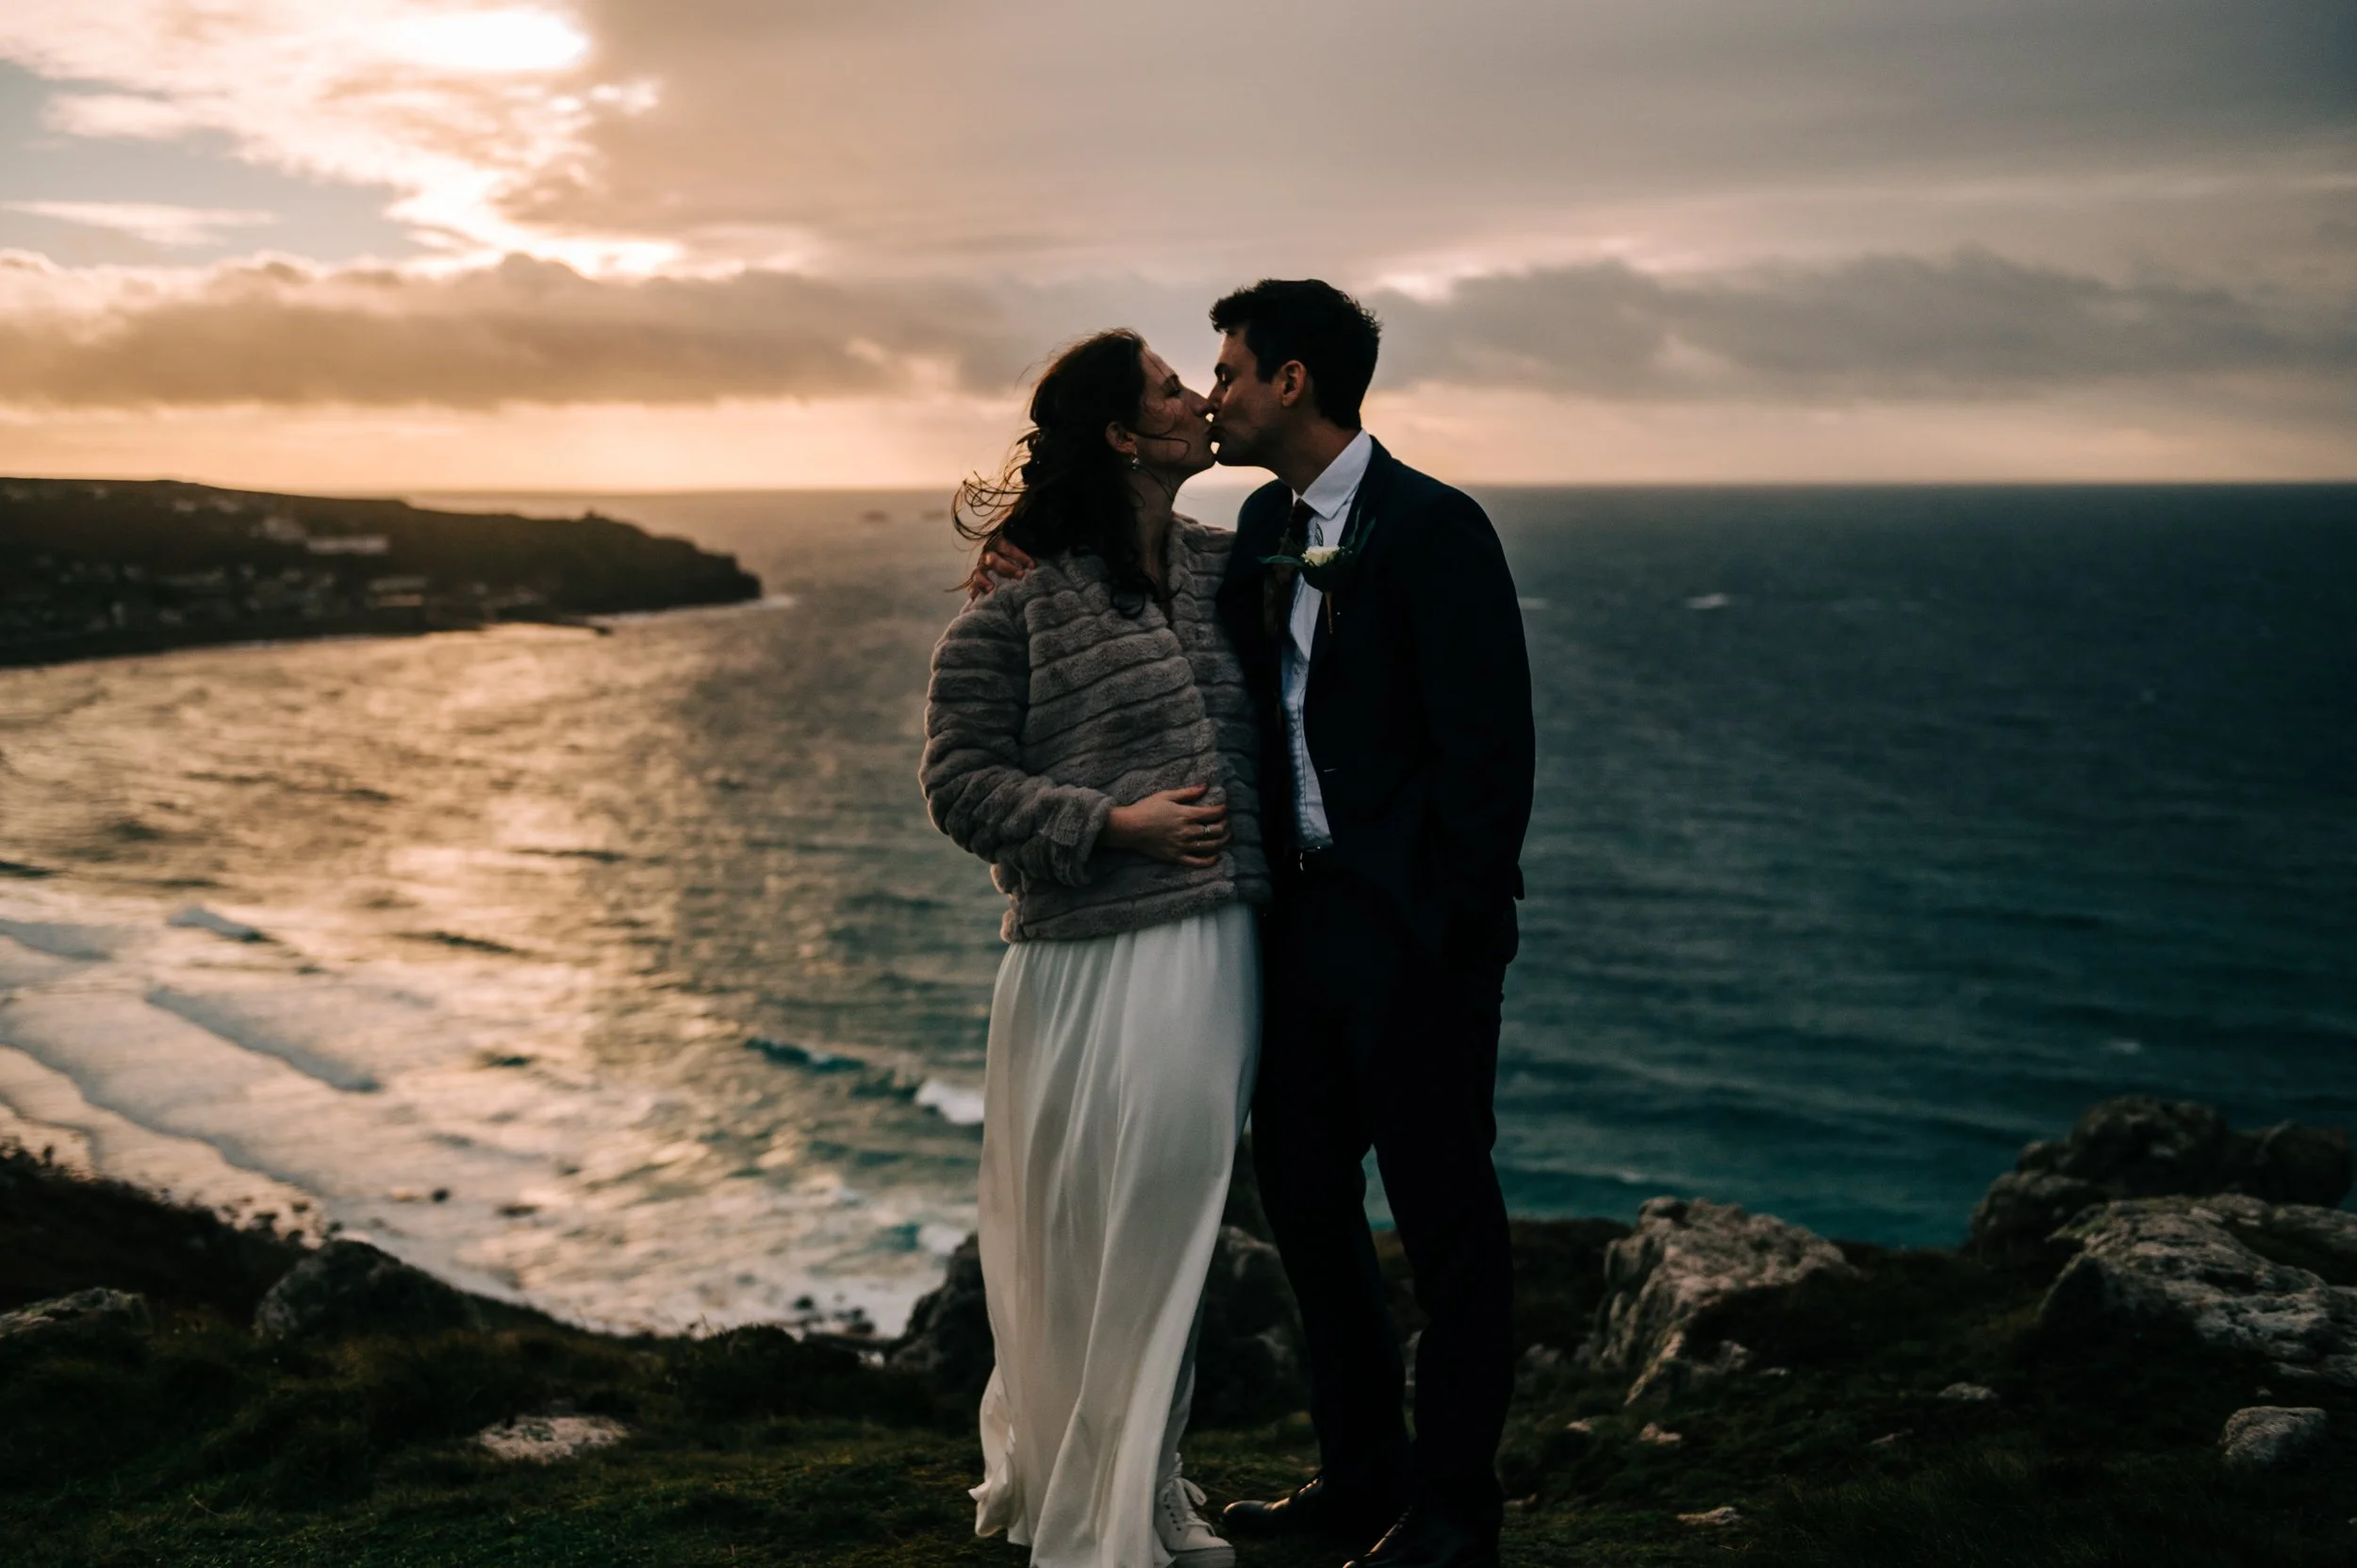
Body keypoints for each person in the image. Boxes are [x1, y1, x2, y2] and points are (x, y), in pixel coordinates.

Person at [920, 328, 1269, 1568]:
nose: (1198, 400)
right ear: (1124, 433)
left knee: (1172, 1219)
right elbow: (958, 785)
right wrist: (1107, 822)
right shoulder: (1015, 605)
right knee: (1088, 1236)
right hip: (1078, 956)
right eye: (1174, 386)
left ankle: (1148, 1476)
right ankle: (1118, 1490)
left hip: (1215, 947)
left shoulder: (1243, 569)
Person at [1205, 280, 1534, 1568]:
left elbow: (1490, 751)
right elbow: (1190, 601)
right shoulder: (1254, 522)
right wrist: (1032, 550)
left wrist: (1448, 928)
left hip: (1413, 935)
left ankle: (1457, 1509)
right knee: (1302, 1196)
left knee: (1448, 1218)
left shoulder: (1437, 527)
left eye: (1229, 370)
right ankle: (1359, 1481)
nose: (1216, 391)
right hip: (1295, 926)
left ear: (1293, 381)